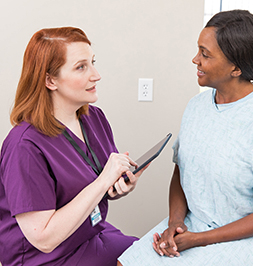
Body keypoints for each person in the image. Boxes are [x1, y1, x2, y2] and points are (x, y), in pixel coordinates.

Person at [117, 10, 253, 265]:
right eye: (198, 50)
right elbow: (181, 172)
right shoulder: (197, 106)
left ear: (236, 68)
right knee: (126, 263)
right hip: (196, 224)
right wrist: (176, 223)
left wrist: (200, 239)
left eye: (205, 54)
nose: (195, 59)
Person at [0, 27, 148, 266]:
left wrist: (121, 185)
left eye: (93, 63)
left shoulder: (94, 118)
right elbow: (43, 239)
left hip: (90, 233)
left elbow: (97, 188)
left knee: (153, 254)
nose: (96, 75)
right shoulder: (24, 146)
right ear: (50, 80)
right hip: (46, 257)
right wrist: (102, 181)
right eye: (81, 67)